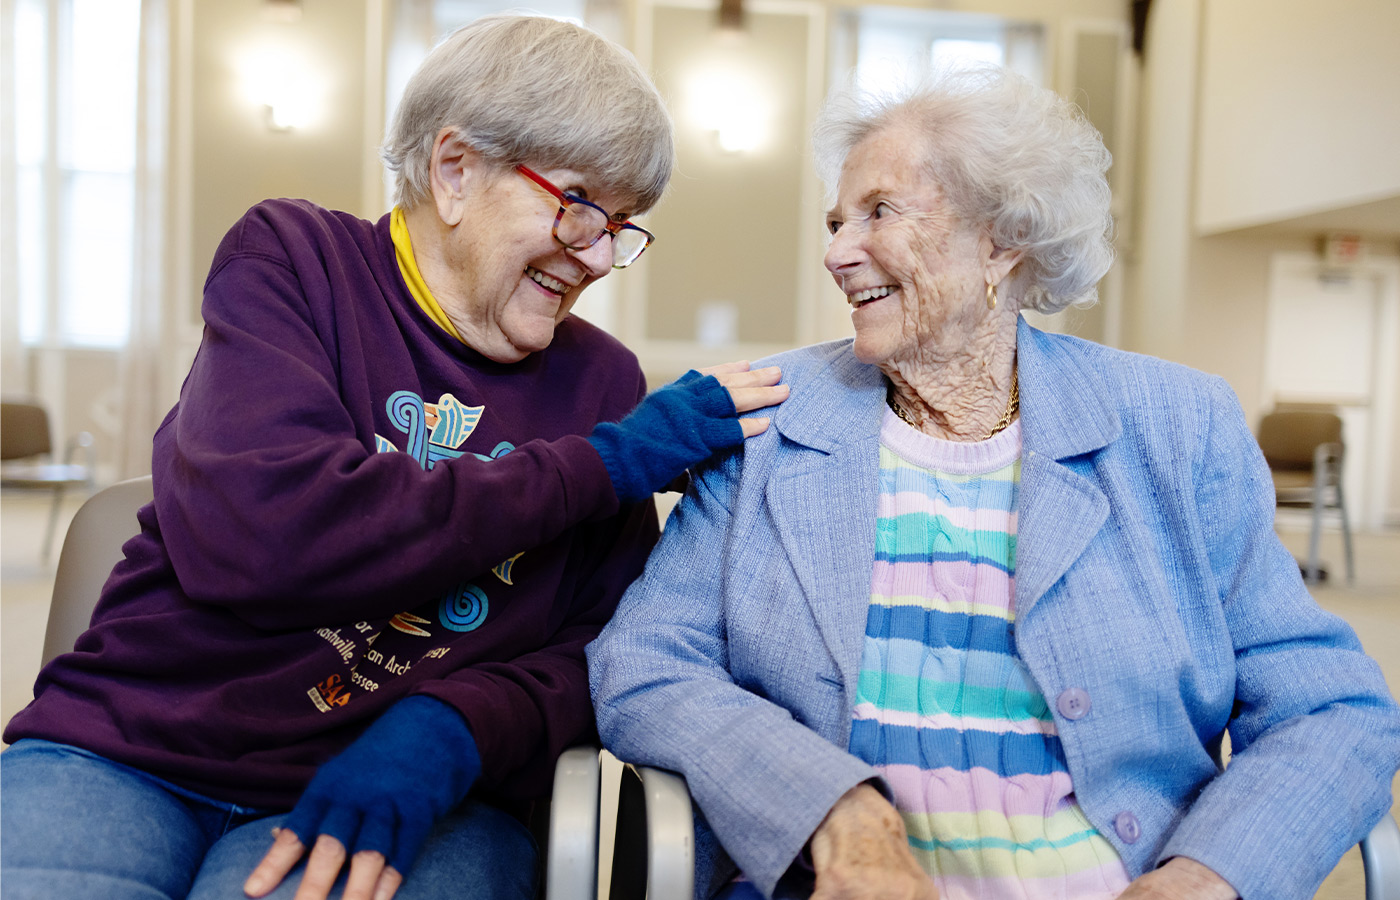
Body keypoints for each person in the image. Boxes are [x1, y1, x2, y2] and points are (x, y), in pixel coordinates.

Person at [1, 14, 787, 900]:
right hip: (135, 744)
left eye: (622, 226)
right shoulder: (296, 262)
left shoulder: (600, 381)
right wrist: (603, 464)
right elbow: (268, 533)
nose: (599, 256)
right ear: (456, 170)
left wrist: (451, 727)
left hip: (413, 793)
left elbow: (602, 647)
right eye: (577, 206)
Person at [588, 66, 1400, 900]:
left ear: (1001, 242)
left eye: (878, 213)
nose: (835, 252)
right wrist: (836, 813)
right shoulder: (770, 421)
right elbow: (646, 662)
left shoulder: (1176, 426)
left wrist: (1201, 878)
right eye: (835, 221)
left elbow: (1330, 708)